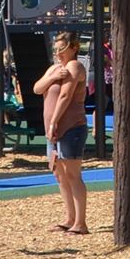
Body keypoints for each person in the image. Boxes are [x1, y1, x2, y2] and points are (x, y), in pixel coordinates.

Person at [31, 32, 90, 234]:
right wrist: (53, 77)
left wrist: (54, 122)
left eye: (62, 49)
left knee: (72, 173)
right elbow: (37, 89)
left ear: (73, 48)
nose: (58, 53)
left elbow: (65, 96)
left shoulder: (75, 66)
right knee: (59, 174)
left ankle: (80, 222)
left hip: (71, 127)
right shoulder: (55, 69)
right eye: (55, 49)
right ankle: (69, 218)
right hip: (54, 131)